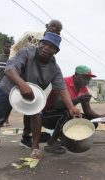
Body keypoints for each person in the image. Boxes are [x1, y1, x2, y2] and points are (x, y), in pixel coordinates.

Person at [0, 32, 80, 159]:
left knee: (36, 115)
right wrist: (22, 84)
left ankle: (35, 148)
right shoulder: (26, 52)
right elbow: (9, 69)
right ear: (39, 44)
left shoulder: (55, 68)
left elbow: (62, 88)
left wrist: (72, 108)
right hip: (8, 88)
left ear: (56, 51)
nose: (46, 48)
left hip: (32, 93)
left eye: (51, 47)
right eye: (44, 44)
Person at [23, 65, 105, 154]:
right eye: (84, 78)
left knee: (91, 121)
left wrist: (99, 117)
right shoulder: (63, 82)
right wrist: (78, 99)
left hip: (64, 115)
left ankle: (69, 139)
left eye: (89, 79)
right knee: (67, 113)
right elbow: (57, 105)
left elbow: (87, 110)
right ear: (76, 75)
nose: (87, 81)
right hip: (48, 116)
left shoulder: (83, 87)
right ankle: (52, 142)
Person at [9, 19, 63, 148]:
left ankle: (28, 138)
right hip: (19, 69)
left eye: (58, 29)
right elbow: (15, 48)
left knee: (33, 106)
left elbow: (49, 63)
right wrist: (14, 66)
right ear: (46, 26)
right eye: (53, 26)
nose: (54, 29)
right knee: (7, 103)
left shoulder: (55, 43)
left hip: (37, 77)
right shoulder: (31, 35)